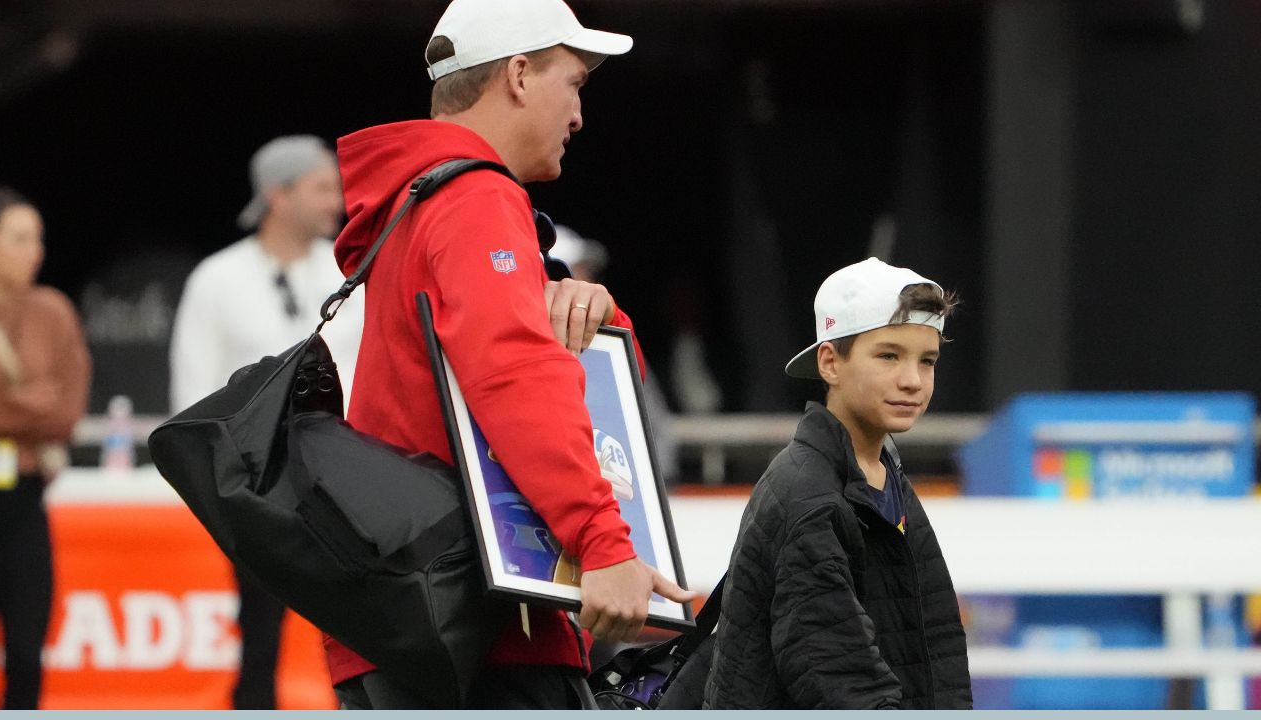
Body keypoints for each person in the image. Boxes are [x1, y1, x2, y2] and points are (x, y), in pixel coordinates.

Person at [325, 0, 693, 709]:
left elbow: (565, 378)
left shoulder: (424, 198)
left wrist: (603, 318)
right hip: (483, 627)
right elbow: (515, 376)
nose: (580, 114)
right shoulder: (475, 197)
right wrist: (602, 542)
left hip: (419, 613)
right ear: (519, 75)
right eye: (576, 83)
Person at [704, 257, 971, 709]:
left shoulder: (885, 475)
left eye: (927, 361)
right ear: (829, 363)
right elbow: (840, 678)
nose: (912, 381)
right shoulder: (808, 495)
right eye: (888, 355)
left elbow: (938, 645)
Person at [169, 135, 362, 709]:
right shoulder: (217, 279)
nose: (338, 201)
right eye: (323, 187)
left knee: (361, 625)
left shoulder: (349, 269)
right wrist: (224, 483)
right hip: (259, 482)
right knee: (259, 629)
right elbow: (193, 389)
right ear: (279, 196)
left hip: (350, 476)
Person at [0, 187, 91, 709]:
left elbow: (66, 412)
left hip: (25, 500)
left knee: (28, 649)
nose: (35, 250)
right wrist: (29, 406)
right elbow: (44, 409)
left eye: (39, 238)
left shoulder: (52, 311)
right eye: (20, 238)